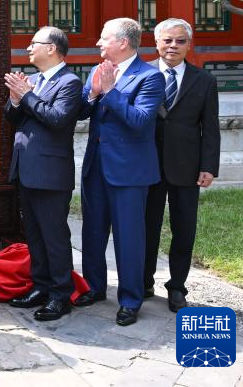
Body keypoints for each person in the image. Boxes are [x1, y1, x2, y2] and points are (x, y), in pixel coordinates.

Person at [74, 17, 164, 327]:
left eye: (104, 38)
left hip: (129, 171)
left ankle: (130, 299)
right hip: (96, 165)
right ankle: (94, 287)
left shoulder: (150, 77)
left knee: (129, 237)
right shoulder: (98, 70)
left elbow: (139, 120)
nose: (98, 43)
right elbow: (82, 112)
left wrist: (111, 91)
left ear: (123, 43)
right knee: (93, 232)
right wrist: (93, 93)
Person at [4, 26, 83, 321]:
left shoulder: (69, 82)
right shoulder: (35, 80)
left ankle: (61, 294)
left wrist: (26, 95)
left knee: (54, 236)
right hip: (26, 169)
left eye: (33, 43)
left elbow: (57, 119)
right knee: (34, 235)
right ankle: (40, 286)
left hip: (51, 173)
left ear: (51, 48)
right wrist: (16, 99)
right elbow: (13, 117)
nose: (28, 48)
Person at [144, 18, 220, 312]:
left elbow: (210, 128)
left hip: (187, 166)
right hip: (148, 164)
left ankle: (177, 286)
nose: (173, 46)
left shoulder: (204, 81)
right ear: (157, 43)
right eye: (167, 40)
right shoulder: (142, 73)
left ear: (189, 45)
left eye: (180, 41)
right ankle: (144, 280)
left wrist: (209, 166)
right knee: (147, 226)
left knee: (184, 228)